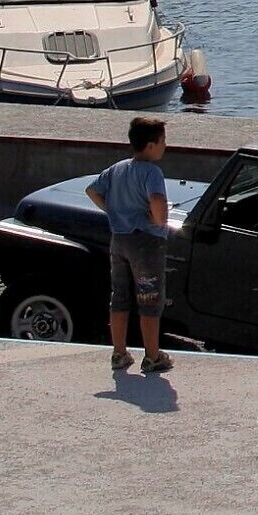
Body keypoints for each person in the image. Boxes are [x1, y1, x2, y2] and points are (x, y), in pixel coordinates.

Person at [85, 114, 172, 374]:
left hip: (119, 240)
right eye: (163, 141)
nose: (165, 146)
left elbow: (91, 190)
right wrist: (159, 219)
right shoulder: (152, 172)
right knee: (149, 298)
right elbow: (157, 201)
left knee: (120, 297)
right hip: (146, 242)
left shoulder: (118, 168)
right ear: (150, 146)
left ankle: (119, 353)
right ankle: (153, 355)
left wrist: (112, 210)